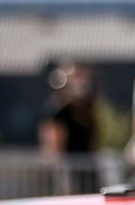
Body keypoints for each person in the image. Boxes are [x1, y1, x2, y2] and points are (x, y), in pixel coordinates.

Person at [39, 60, 99, 193]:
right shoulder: (59, 111)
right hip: (69, 171)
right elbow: (54, 146)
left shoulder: (87, 108)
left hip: (88, 169)